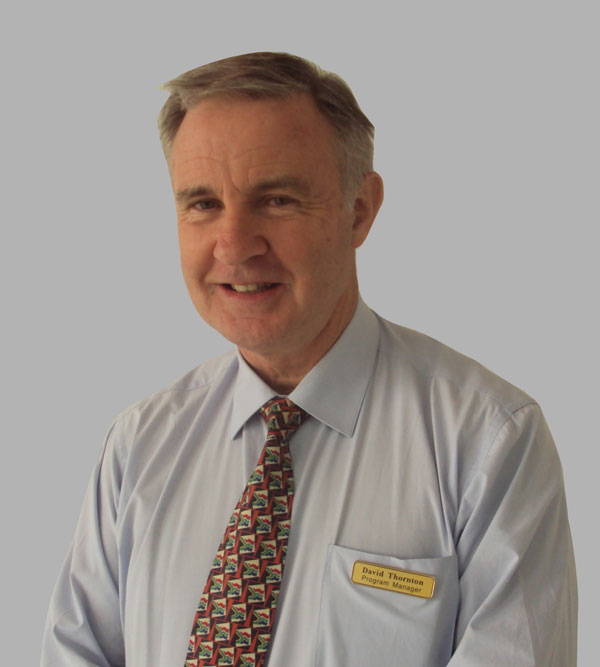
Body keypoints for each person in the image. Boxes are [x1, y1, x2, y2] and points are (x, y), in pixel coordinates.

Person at [41, 52, 577, 666]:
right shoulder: (139, 444)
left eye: (277, 200)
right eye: (203, 204)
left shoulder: (488, 442)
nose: (234, 246)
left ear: (360, 210)